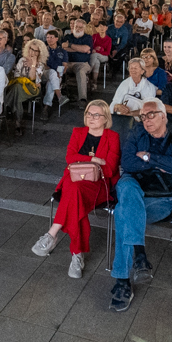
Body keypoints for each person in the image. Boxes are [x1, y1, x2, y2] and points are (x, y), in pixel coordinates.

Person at [107, 99, 172, 312]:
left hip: (162, 198)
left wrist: (148, 157)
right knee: (127, 188)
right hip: (133, 187)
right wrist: (162, 163)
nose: (146, 120)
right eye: (143, 116)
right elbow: (128, 163)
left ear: (164, 116)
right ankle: (135, 262)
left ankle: (125, 277)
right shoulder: (136, 134)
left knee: (123, 213)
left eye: (152, 115)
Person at [30, 99, 121, 278]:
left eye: (96, 115)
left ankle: (53, 235)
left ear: (105, 118)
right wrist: (94, 160)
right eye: (89, 114)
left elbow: (110, 169)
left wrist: (83, 160)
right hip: (74, 182)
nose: (91, 117)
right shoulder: (78, 132)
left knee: (73, 193)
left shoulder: (113, 137)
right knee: (75, 191)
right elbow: (69, 158)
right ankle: (76, 255)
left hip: (98, 185)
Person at [110, 57, 159, 130]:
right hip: (122, 120)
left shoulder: (149, 87)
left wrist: (131, 114)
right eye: (131, 68)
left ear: (142, 71)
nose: (133, 70)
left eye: (135, 68)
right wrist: (118, 107)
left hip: (141, 122)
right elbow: (114, 103)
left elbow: (149, 110)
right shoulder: (124, 83)